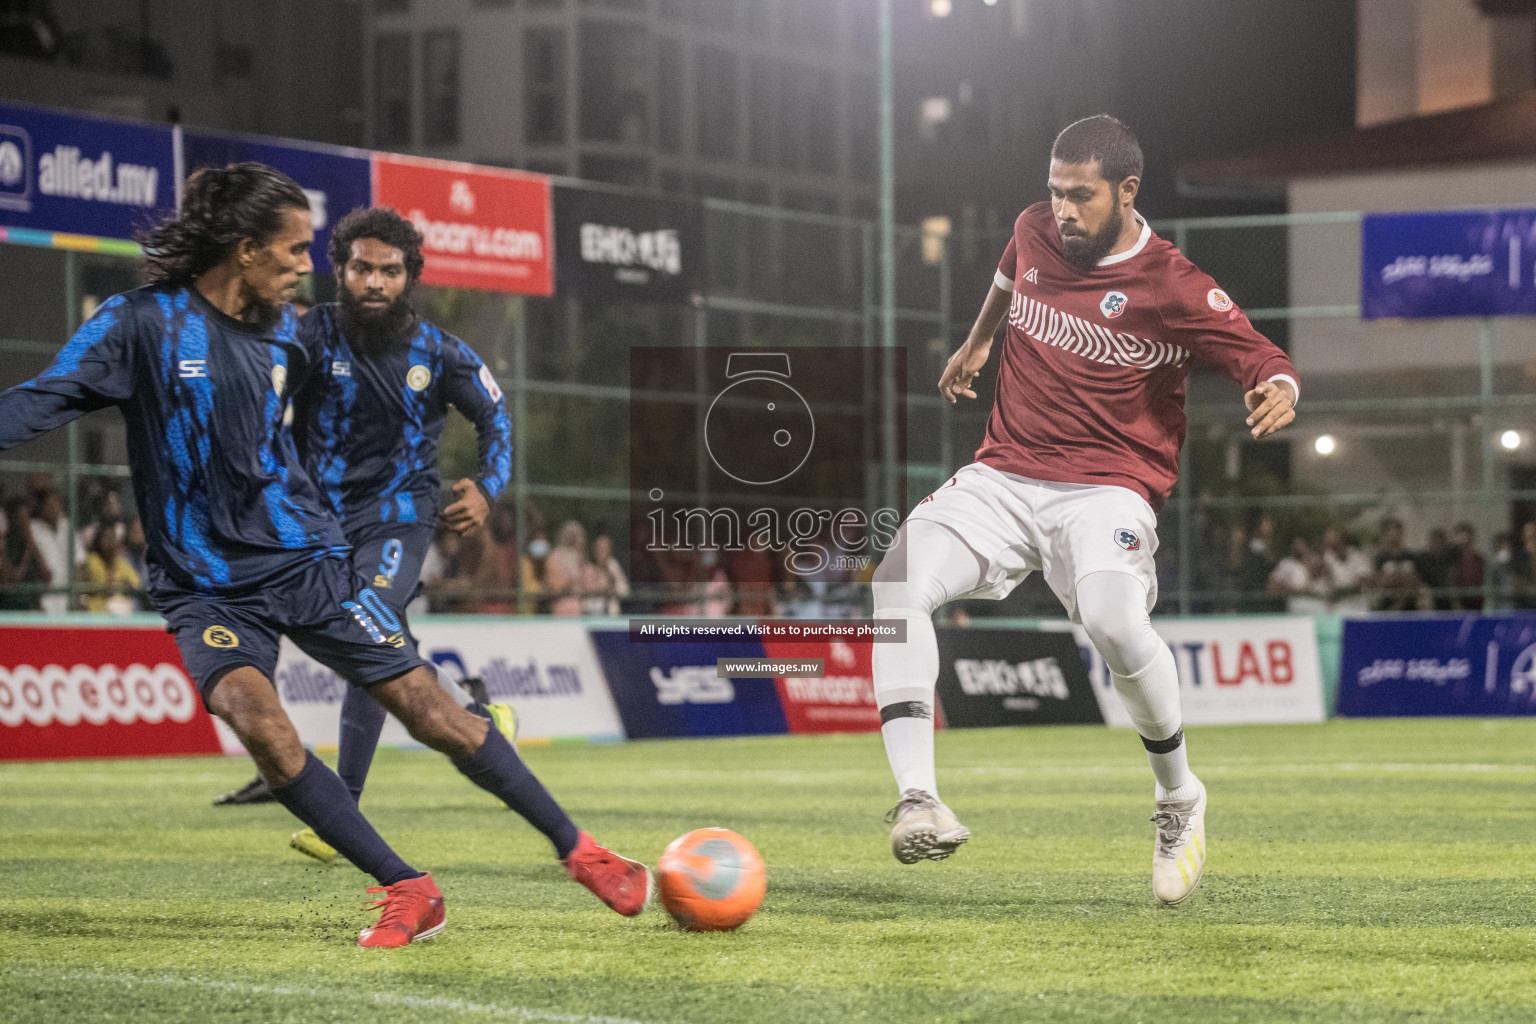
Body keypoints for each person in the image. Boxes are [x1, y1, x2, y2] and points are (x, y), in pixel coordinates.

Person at [0, 164, 647, 947]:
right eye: (297, 249)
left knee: (433, 712)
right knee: (259, 724)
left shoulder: (292, 331)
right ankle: (410, 889)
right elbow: (42, 399)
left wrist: (445, 481)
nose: (309, 267)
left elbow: (388, 404)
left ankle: (582, 852)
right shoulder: (143, 324)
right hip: (205, 583)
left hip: (310, 561)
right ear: (244, 250)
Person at [871, 115, 1298, 905]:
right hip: (1004, 473)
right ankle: (918, 797)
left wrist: (1278, 386)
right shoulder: (1036, 229)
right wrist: (975, 344)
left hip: (1107, 488)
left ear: (1127, 192)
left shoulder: (1170, 282)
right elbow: (1007, 278)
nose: (1062, 210)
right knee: (895, 581)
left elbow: (1255, 351)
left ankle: (1178, 798)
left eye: (1080, 196)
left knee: (1110, 619)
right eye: (1055, 192)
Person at [218, 205, 524, 849]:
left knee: (370, 632)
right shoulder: (306, 335)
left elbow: (496, 419)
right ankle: (479, 719)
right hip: (316, 524)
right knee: (387, 649)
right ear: (340, 271)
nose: (375, 283)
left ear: (411, 276)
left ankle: (341, 815)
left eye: (390, 270)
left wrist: (487, 488)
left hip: (399, 517)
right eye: (362, 268)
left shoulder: (441, 353)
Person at [81, 518, 140, 613]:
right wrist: (119, 582)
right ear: (99, 540)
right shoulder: (93, 560)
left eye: (112, 538)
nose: (110, 542)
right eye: (106, 538)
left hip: (119, 614)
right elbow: (104, 585)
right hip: (95, 613)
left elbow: (135, 584)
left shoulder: (121, 562)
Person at [0, 495, 49, 610]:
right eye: (21, 517)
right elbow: (14, 579)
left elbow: (46, 576)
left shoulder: (29, 543)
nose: (25, 522)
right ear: (11, 519)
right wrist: (28, 550)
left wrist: (32, 546)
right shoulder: (4, 544)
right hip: (10, 608)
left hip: (31, 606)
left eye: (27, 517)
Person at [1369, 518, 1424, 612]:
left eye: (1397, 532)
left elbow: (1416, 581)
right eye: (1390, 533)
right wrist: (1401, 578)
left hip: (1410, 608)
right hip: (1387, 607)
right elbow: (1380, 582)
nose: (1394, 536)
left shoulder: (1411, 556)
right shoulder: (1380, 558)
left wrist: (1394, 578)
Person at [1266, 536, 1331, 614]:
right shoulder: (1286, 563)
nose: (1298, 547)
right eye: (1296, 545)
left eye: (1301, 544)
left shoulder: (1314, 559)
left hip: (1318, 600)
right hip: (1297, 601)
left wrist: (1308, 559)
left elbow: (1318, 574)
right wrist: (1291, 589)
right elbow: (1272, 585)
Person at [1321, 525, 1372, 613]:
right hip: (1336, 606)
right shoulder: (1327, 559)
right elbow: (1327, 585)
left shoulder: (1357, 557)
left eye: (1333, 542)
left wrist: (1342, 589)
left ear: (1341, 541)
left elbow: (1360, 583)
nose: (1330, 546)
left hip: (1356, 604)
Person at [1447, 521, 1485, 611]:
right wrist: (1455, 604)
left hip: (1478, 606)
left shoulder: (1479, 560)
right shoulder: (1454, 560)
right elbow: (1451, 582)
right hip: (1460, 606)